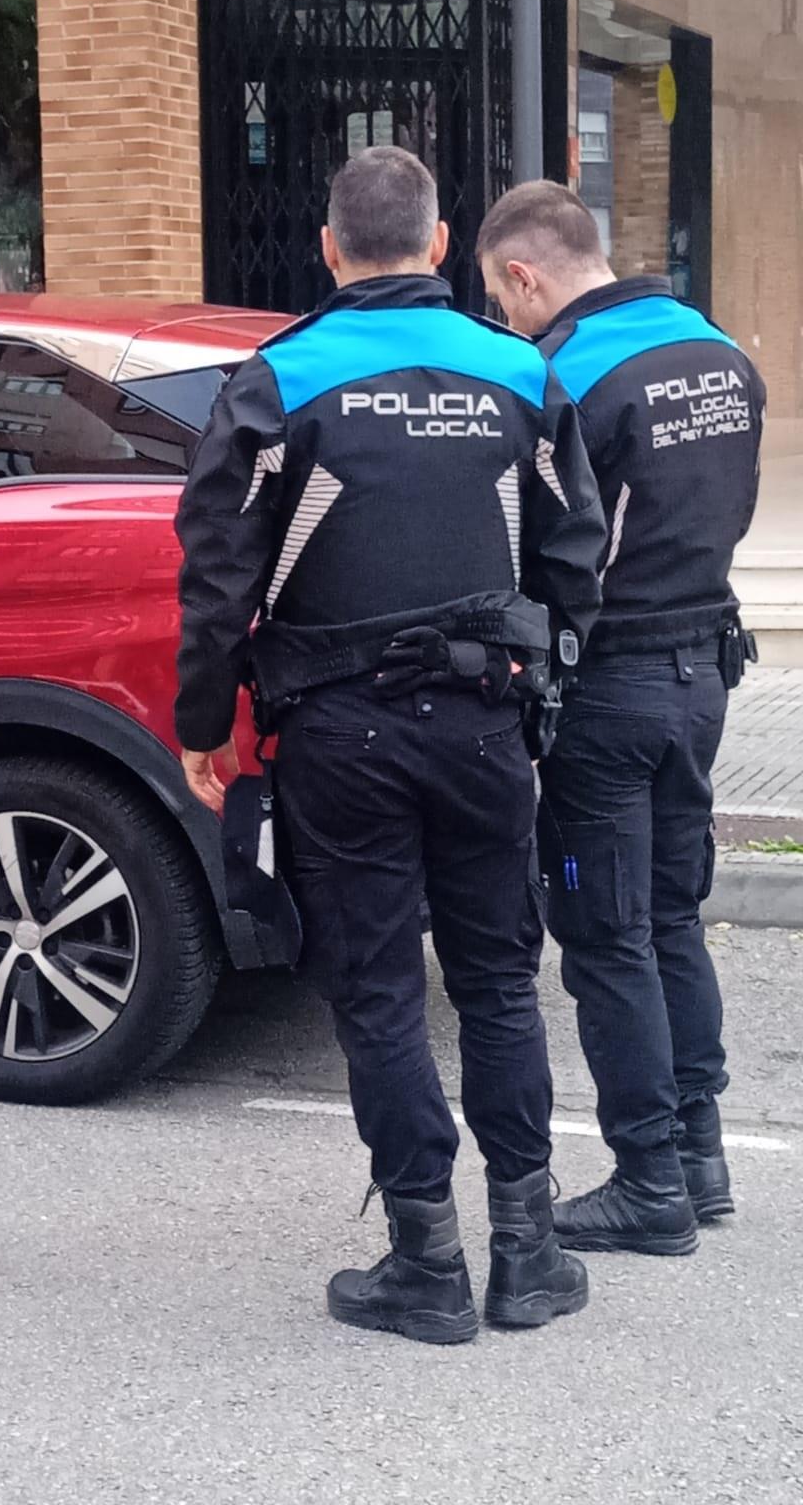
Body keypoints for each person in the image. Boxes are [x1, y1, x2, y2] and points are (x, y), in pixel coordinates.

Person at [175, 147, 607, 1344]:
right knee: (498, 986)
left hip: (341, 735)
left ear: (327, 249)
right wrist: (541, 673)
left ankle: (427, 1260)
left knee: (374, 990)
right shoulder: (521, 372)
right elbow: (577, 558)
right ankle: (528, 1253)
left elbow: (216, 580)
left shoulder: (278, 378)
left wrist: (202, 728)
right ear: (435, 242)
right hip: (482, 727)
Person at [477, 181, 764, 1256]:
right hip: (704, 677)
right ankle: (702, 1157)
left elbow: (552, 552)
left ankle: (648, 1180)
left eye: (506, 303)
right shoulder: (720, 351)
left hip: (609, 686)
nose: (511, 324)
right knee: (674, 918)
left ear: (525, 274)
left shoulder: (570, 377)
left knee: (606, 936)